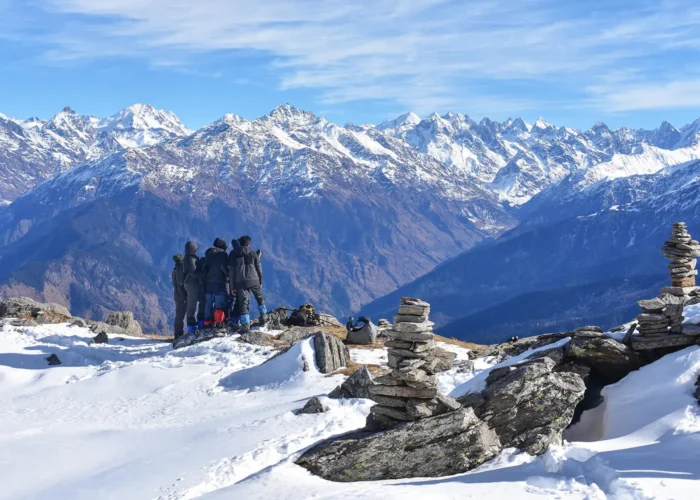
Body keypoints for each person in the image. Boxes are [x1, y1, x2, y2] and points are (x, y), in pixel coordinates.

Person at [230, 235, 267, 333]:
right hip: (254, 279)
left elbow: (232, 271)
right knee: (259, 298)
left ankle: (245, 324)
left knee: (243, 303)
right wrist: (260, 281)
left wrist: (232, 286)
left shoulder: (233, 254)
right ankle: (263, 316)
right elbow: (259, 268)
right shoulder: (253, 253)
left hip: (240, 282)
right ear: (248, 243)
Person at [201, 237, 229, 328]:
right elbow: (223, 267)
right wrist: (229, 275)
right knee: (219, 303)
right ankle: (219, 323)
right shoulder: (223, 254)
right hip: (219, 282)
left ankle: (207, 322)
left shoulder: (208, 254)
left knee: (208, 302)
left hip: (208, 282)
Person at [183, 241, 203, 334]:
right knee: (192, 305)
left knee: (196, 303)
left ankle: (195, 324)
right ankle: (192, 326)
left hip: (191, 284)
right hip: (193, 284)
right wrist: (203, 271)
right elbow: (194, 274)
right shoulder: (191, 259)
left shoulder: (187, 258)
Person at [171, 254, 187, 339]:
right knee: (180, 315)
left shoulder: (175, 270)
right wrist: (184, 297)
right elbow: (180, 286)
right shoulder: (179, 271)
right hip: (181, 296)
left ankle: (177, 333)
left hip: (176, 295)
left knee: (179, 315)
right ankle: (179, 334)